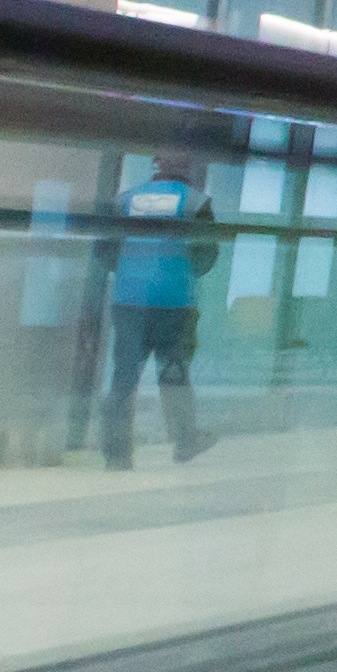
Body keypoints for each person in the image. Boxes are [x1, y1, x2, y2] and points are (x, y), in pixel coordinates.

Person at [99, 149, 216, 467]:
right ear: (188, 166)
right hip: (174, 302)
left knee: (124, 376)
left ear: (156, 164)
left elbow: (105, 250)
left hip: (128, 300)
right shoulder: (195, 202)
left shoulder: (125, 200)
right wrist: (177, 273)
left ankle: (116, 454)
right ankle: (185, 442)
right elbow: (207, 256)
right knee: (173, 372)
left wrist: (131, 272)